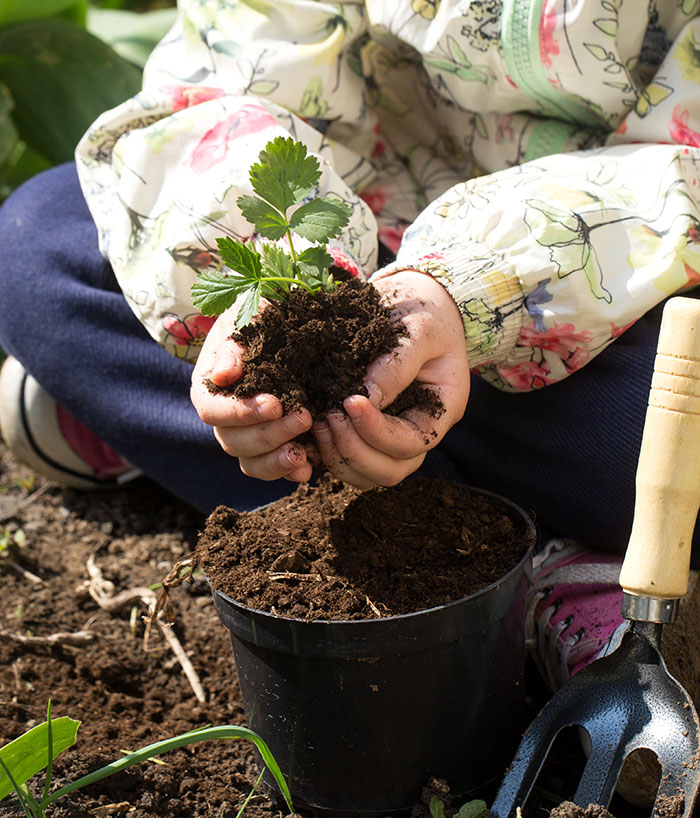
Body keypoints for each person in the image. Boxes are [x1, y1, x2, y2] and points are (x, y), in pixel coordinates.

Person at [1, 0, 700, 736]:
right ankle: (524, 554)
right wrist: (283, 277)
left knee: (664, 415)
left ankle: (157, 420)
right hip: (370, 244)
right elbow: (234, 68)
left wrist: (472, 288)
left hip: (614, 288)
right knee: (38, 244)